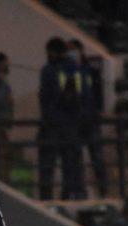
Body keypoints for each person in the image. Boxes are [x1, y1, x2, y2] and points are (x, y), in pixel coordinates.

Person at [38, 38, 83, 200]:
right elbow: (79, 96)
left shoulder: (49, 70)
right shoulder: (75, 69)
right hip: (70, 123)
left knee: (48, 163)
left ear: (53, 52)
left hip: (54, 124)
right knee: (69, 163)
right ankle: (68, 194)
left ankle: (47, 195)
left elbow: (46, 97)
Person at [68, 39, 107, 198]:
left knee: (96, 156)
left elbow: (98, 91)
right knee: (76, 158)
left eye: (72, 49)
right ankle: (79, 191)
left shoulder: (90, 69)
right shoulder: (67, 70)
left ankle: (103, 189)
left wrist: (98, 110)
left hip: (90, 119)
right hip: (75, 120)